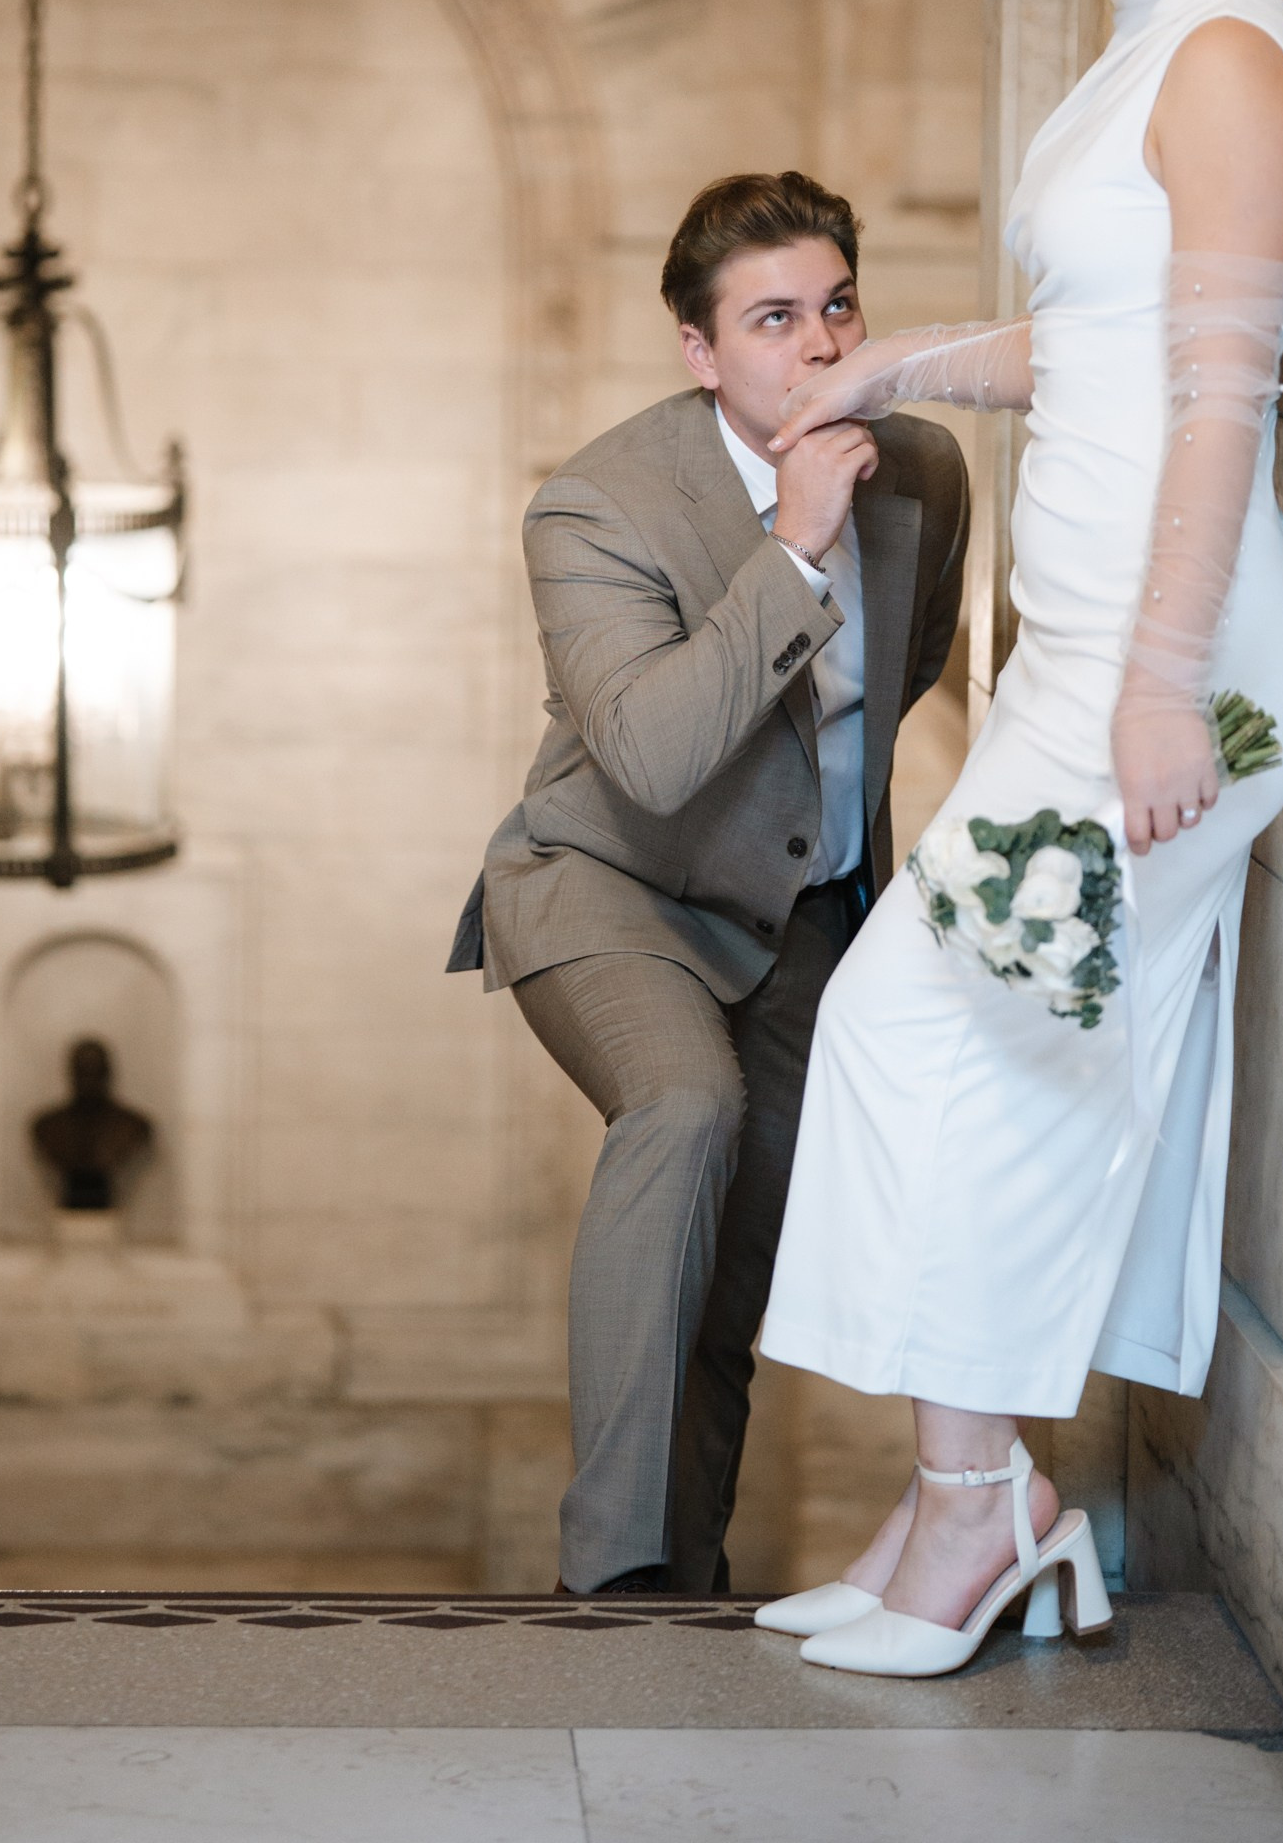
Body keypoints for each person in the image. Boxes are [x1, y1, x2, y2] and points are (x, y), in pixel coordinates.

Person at [754, 0, 1283, 1676]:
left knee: (933, 1037)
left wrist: (1161, 691)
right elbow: (1087, 337)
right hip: (1082, 649)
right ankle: (963, 1505)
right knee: (952, 1041)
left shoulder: (1230, 62)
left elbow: (1213, 395)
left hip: (1173, 670)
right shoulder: (1141, 54)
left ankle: (982, 1520)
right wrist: (891, 366)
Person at [448, 172, 969, 1596]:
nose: (817, 344)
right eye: (772, 317)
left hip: (801, 915)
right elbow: (660, 755)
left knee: (737, 1272)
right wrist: (794, 540)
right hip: (607, 887)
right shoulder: (596, 508)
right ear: (699, 349)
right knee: (686, 1110)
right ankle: (606, 1588)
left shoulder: (923, 472)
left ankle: (686, 1590)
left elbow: (899, 689)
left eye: (838, 305)